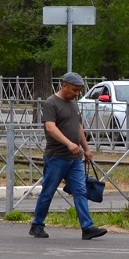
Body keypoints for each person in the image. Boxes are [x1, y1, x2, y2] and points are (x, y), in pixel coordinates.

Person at [30, 71, 107, 240]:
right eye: (74, 89)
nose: (77, 93)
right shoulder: (51, 103)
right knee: (48, 191)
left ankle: (87, 228)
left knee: (80, 191)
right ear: (64, 85)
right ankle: (37, 225)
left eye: (79, 90)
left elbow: (78, 127)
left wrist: (86, 149)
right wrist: (68, 143)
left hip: (75, 158)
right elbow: (50, 127)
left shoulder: (73, 103)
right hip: (56, 157)